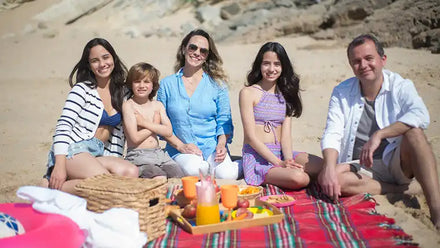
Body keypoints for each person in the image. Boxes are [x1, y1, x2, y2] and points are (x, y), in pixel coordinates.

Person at [318, 34, 440, 229]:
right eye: (356, 61)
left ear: (383, 60)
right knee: (334, 178)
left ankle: (437, 211)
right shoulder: (341, 92)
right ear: (351, 66)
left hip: (396, 161)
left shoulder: (400, 85)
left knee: (415, 132)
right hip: (360, 166)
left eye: (369, 58)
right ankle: (402, 190)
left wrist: (380, 134)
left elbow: (421, 115)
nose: (363, 65)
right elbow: (333, 132)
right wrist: (330, 168)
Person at [43, 38, 138, 194]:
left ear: (113, 57)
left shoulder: (124, 93)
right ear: (89, 65)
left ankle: (64, 185)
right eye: (95, 60)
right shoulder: (82, 90)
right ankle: (48, 188)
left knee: (131, 172)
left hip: (100, 153)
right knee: (106, 184)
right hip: (75, 149)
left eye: (105, 57)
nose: (102, 64)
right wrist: (59, 166)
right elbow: (63, 126)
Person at [157, 29, 241, 179]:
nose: (197, 53)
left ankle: (242, 164)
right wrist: (180, 146)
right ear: (184, 49)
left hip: (212, 147)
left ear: (207, 56)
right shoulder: (166, 84)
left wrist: (221, 144)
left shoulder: (218, 86)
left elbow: (224, 120)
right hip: (181, 149)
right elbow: (161, 124)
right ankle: (208, 168)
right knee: (195, 170)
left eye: (203, 51)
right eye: (193, 47)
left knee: (227, 175)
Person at [239, 42, 322, 189]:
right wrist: (279, 164)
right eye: (266, 64)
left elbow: (286, 136)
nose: (271, 69)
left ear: (283, 67)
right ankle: (286, 176)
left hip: (282, 154)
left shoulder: (285, 94)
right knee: (300, 178)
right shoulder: (248, 93)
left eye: (277, 64)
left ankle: (292, 175)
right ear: (259, 65)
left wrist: (288, 161)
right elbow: (250, 138)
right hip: (258, 158)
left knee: (323, 166)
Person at [123, 62, 184, 179]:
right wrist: (155, 125)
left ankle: (171, 198)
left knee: (178, 175)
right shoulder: (129, 106)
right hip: (139, 155)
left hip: (159, 153)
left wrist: (144, 123)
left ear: (153, 85)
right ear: (131, 84)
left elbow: (168, 131)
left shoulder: (157, 105)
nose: (142, 85)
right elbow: (134, 138)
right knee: (158, 177)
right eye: (137, 81)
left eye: (146, 82)